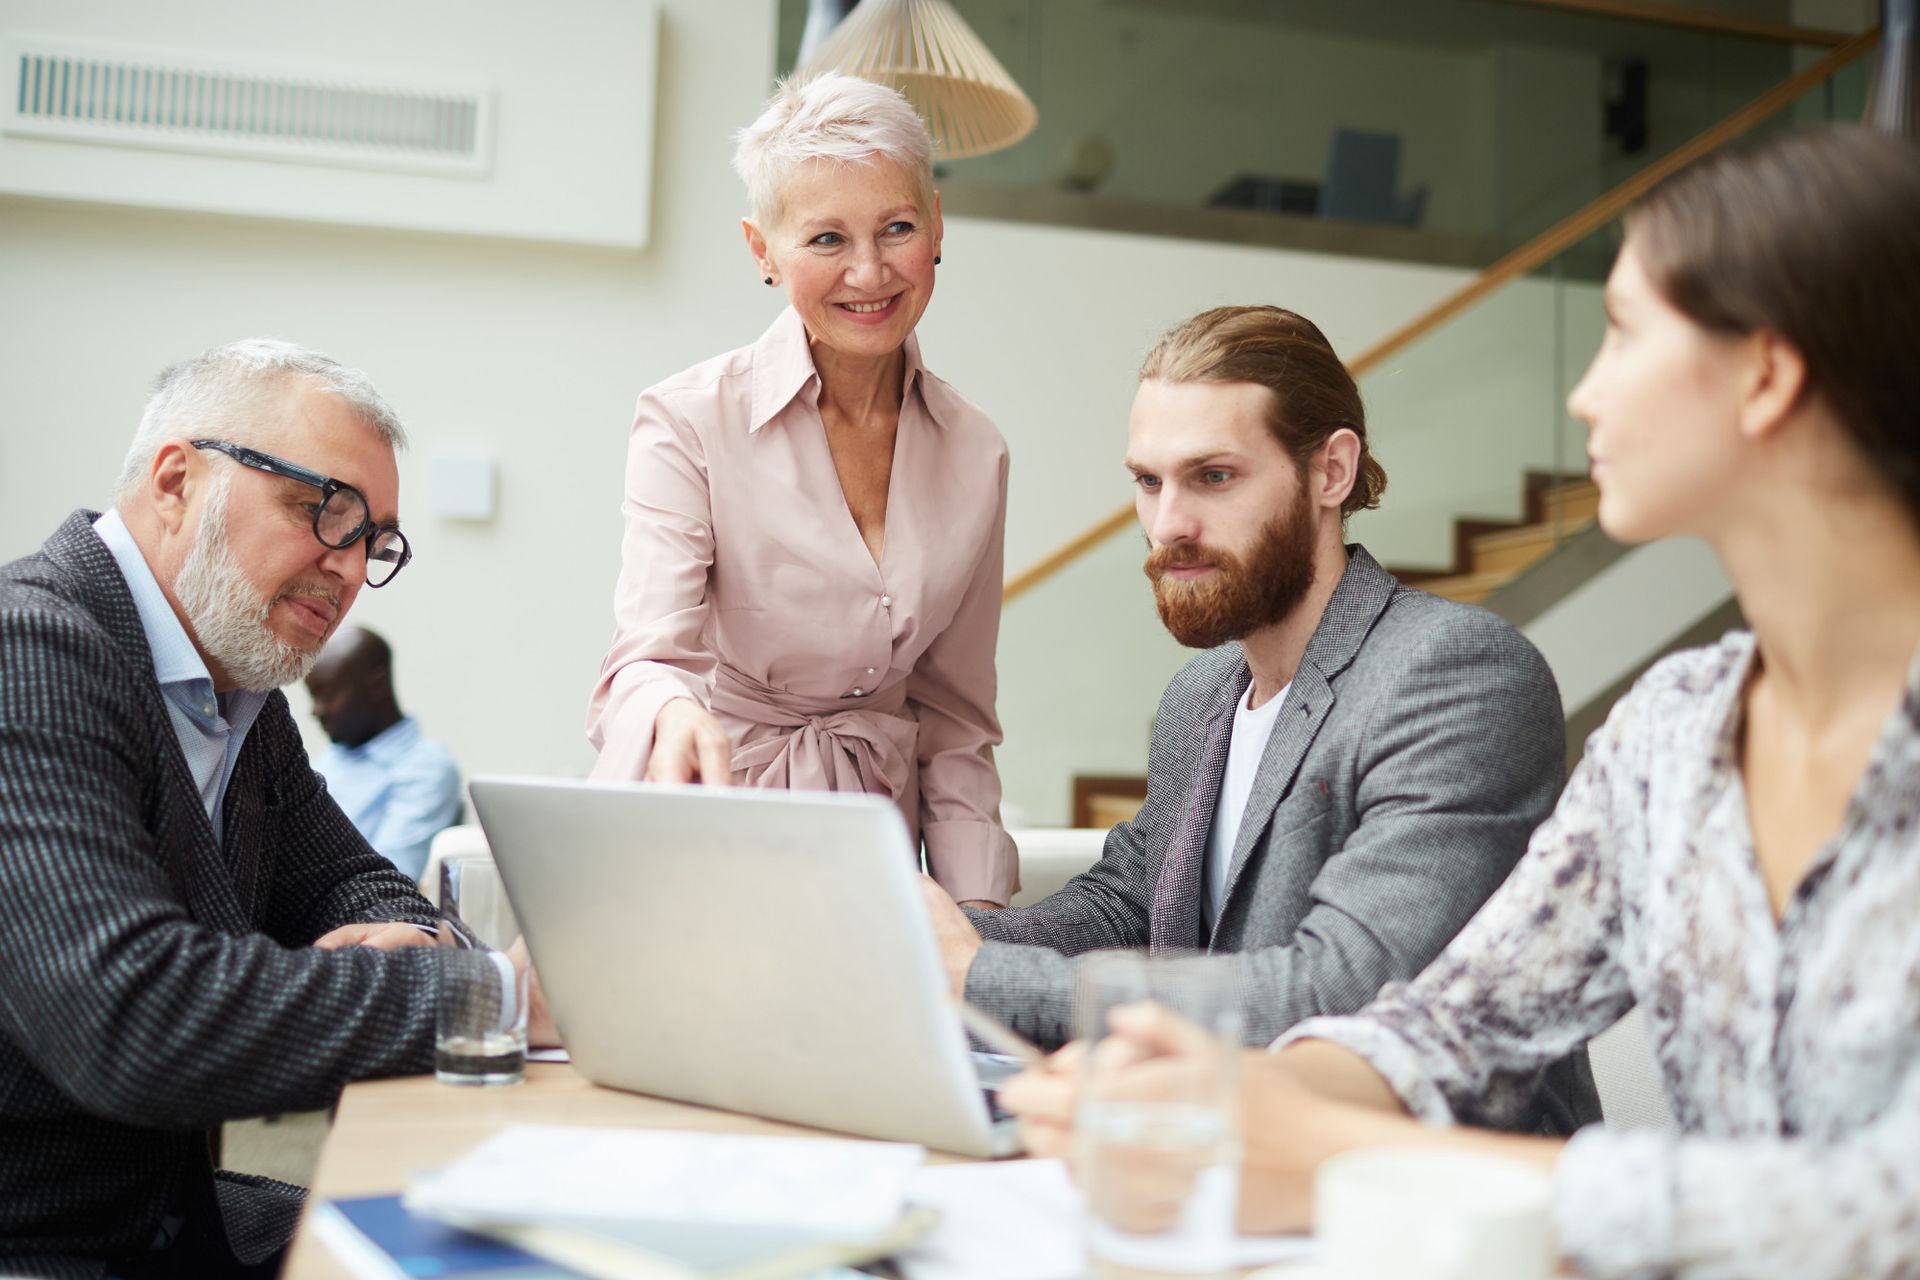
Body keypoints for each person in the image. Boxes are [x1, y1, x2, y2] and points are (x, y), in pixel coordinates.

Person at [1004, 126, 1920, 1279]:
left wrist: (1328, 1143)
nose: (1583, 391)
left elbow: (1891, 1204)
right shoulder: (1677, 731)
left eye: (1625, 332)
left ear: (1768, 372)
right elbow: (1454, 1020)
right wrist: (1212, 1100)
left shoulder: (1455, 668)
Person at [920, 303, 1596, 1130]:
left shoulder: (1455, 673)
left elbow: (1339, 991)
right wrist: (941, 935)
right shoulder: (1201, 697)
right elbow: (1129, 902)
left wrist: (982, 979)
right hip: (1222, 1161)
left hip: (1431, 1200)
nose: (1168, 525)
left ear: (1331, 472)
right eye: (1148, 480)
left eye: (1214, 477)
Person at [0, 340, 550, 1277]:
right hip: (44, 1242)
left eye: (373, 539)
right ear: (177, 481)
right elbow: (132, 1020)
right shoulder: (32, 647)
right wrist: (489, 994)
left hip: (162, 1212)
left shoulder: (241, 698)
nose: (347, 568)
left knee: (500, 1249)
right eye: (322, 510)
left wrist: (401, 948)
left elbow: (363, 886)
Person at [584, 73, 1017, 908]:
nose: (869, 271)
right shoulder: (687, 421)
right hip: (708, 813)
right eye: (825, 239)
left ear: (935, 226)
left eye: (896, 228)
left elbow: (957, 722)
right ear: (763, 252)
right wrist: (675, 714)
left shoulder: (978, 451)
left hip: (870, 847)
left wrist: (979, 926)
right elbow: (646, 657)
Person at [306, 626, 464, 883]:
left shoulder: (426, 768)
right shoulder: (329, 759)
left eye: (325, 695)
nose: (316, 711)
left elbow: (388, 880)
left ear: (377, 684)